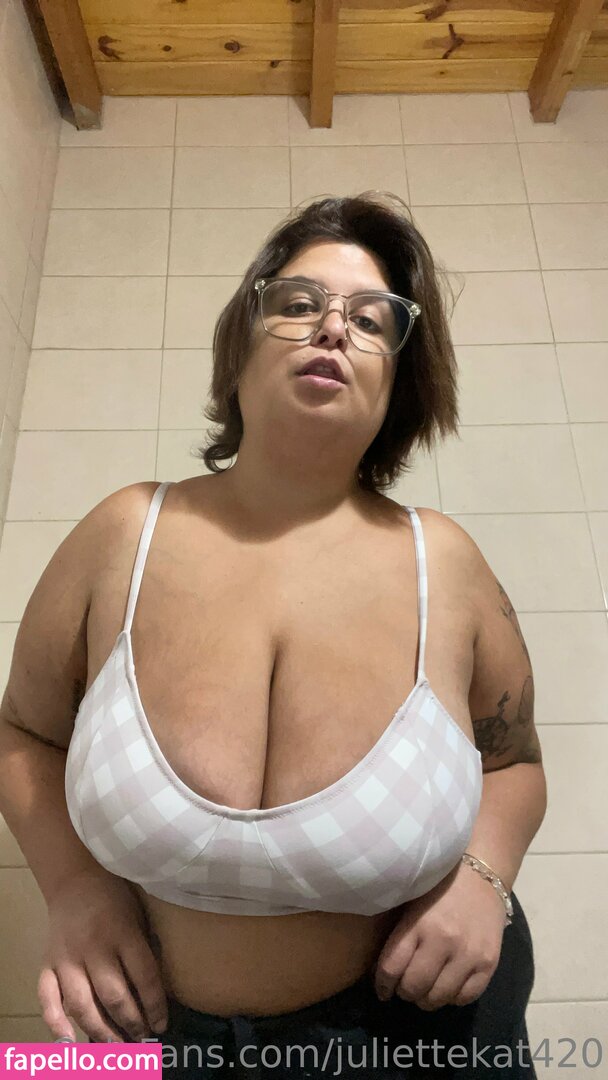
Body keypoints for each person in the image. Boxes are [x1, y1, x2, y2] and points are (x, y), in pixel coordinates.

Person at [0, 192, 546, 1079]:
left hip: (420, 1040)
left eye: (371, 320)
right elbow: (22, 731)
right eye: (298, 303)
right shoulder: (120, 535)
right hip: (148, 1042)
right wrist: (74, 889)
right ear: (240, 348)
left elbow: (515, 763)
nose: (332, 327)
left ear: (399, 383)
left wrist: (486, 877)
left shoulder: (446, 564)